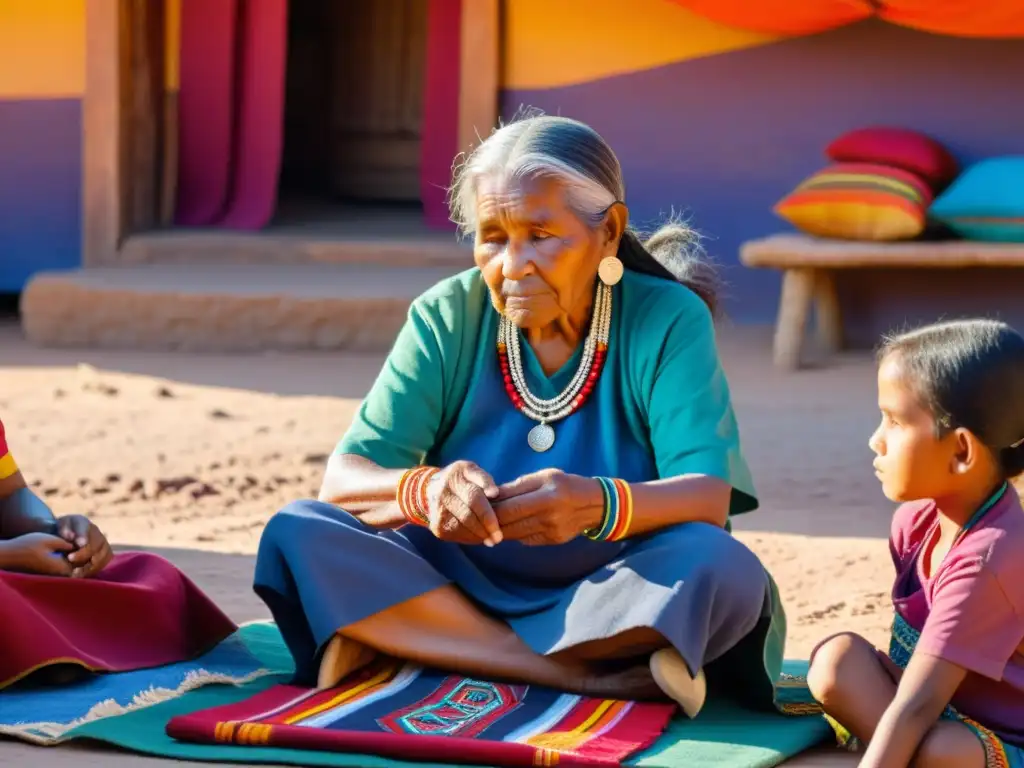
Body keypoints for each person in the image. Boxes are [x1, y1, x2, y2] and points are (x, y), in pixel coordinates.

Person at [254, 114, 788, 717]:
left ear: (608, 233)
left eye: (540, 233)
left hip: (614, 583)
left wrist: (595, 503)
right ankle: (577, 674)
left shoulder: (667, 319)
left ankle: (416, 642)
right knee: (299, 531)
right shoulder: (445, 315)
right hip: (456, 577)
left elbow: (709, 498)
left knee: (720, 569)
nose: (512, 264)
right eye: (492, 237)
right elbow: (343, 483)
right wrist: (425, 490)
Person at [807, 319, 1024, 767]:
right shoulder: (915, 522)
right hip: (942, 706)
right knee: (837, 662)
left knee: (939, 751)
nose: (875, 440)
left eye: (894, 421)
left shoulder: (992, 556)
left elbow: (915, 705)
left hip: (1001, 739)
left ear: (961, 451)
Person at [0, 416, 237, 689]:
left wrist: (54, 533)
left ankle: (51, 652)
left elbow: (12, 494)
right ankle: (48, 655)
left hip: (15, 569)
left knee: (150, 571)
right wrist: (11, 554)